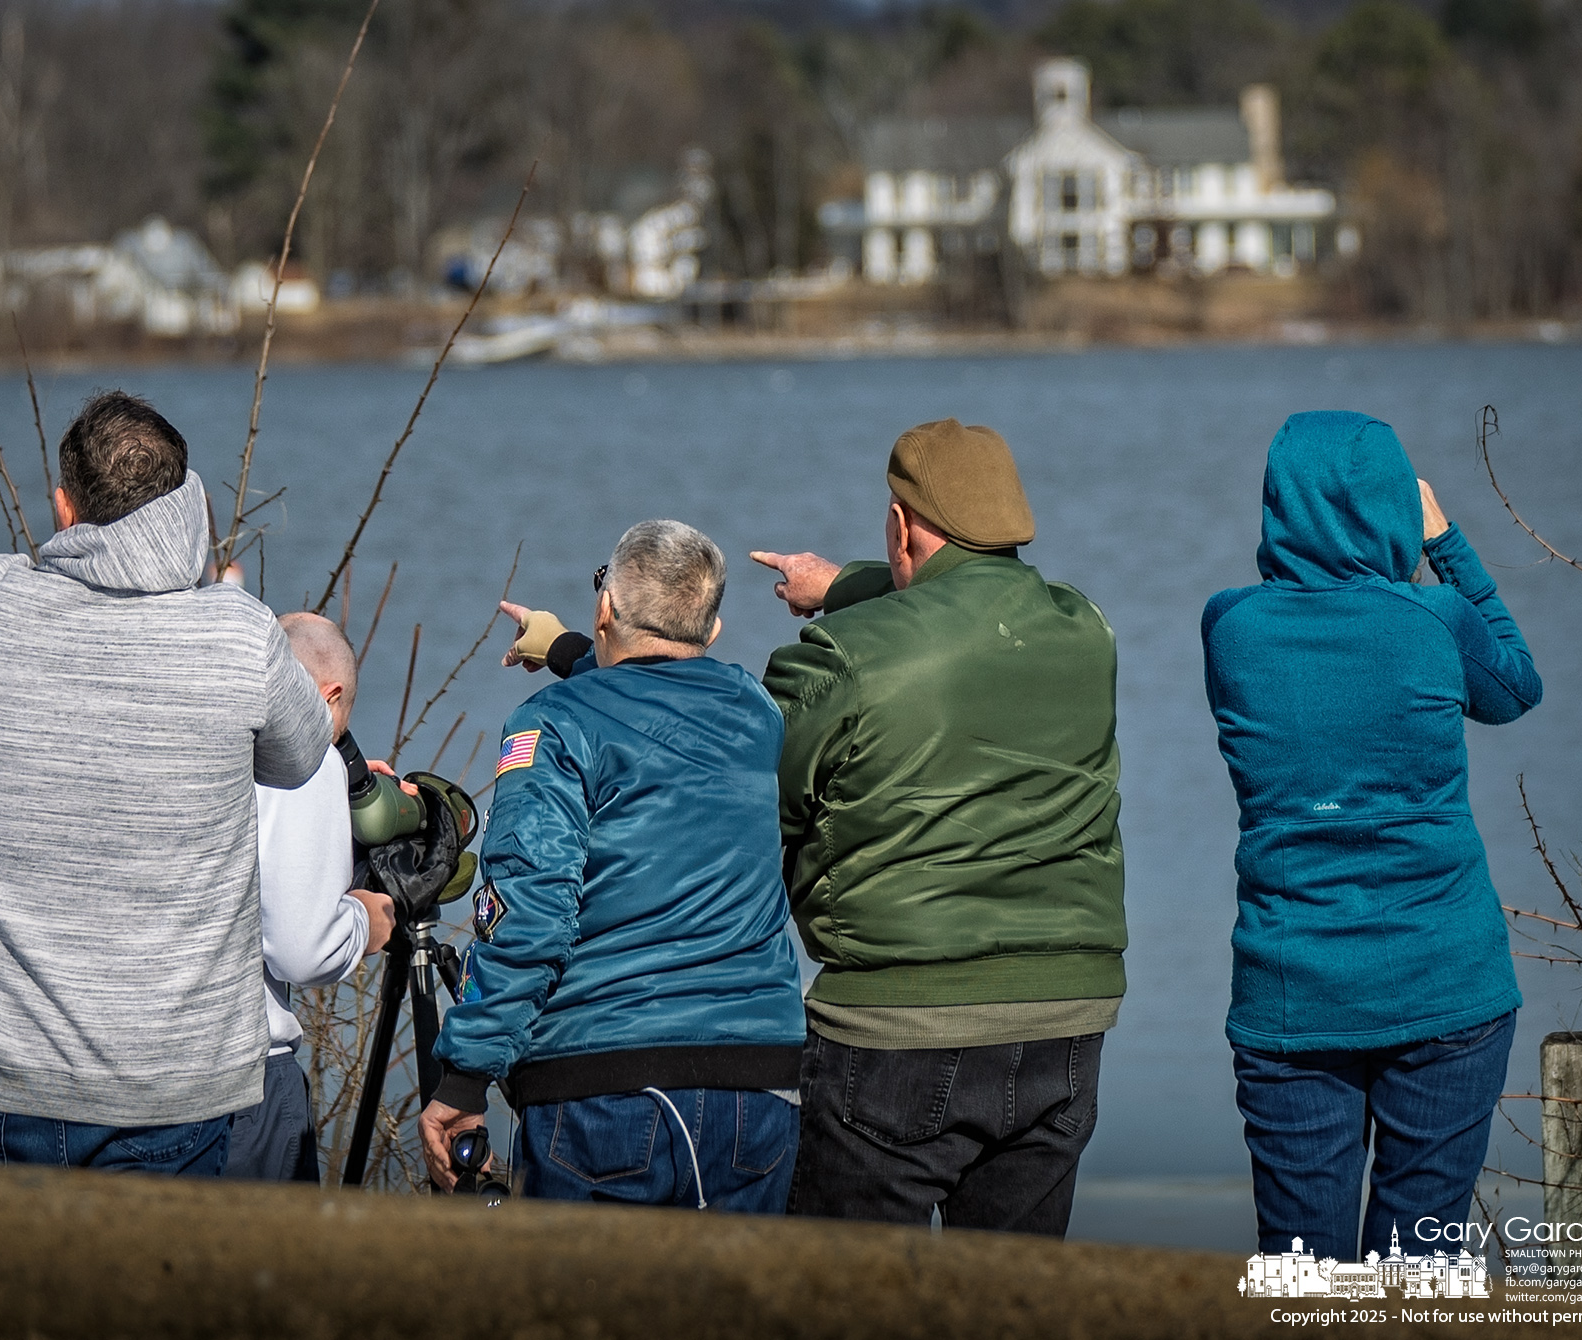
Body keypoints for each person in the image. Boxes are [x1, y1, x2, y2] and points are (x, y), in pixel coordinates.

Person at [0, 390, 333, 1174]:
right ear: (187, 505)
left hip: (4, 1084)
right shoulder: (235, 634)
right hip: (175, 1090)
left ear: (63, 509)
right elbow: (300, 752)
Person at [751, 418, 1126, 1235]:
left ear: (899, 525)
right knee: (1010, 1305)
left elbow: (758, 815)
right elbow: (974, 605)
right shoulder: (1085, 630)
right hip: (1065, 1017)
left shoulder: (838, 657)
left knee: (846, 1308)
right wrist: (850, 583)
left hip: (896, 1024)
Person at [1202, 410, 1541, 1262]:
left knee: (1304, 1281)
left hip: (1294, 991)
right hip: (1446, 983)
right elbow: (1516, 688)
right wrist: (1444, 540)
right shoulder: (1434, 622)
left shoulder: (1231, 630)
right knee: (1417, 1273)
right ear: (1393, 506)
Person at [417, 520, 807, 1209]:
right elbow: (664, 696)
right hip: (759, 1086)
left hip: (602, 1087)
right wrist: (571, 651)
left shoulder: (554, 727)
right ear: (711, 633)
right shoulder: (753, 711)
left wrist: (466, 1076)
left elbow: (527, 914)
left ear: (605, 609)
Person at [224, 613, 397, 1181]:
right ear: (330, 695)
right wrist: (365, 923)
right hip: (250, 1080)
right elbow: (303, 950)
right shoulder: (308, 750)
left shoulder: (212, 735)